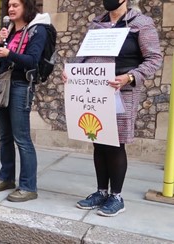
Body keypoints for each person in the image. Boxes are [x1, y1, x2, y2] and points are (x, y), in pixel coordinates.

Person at [69, 0, 162, 216]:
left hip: (122, 90)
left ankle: (117, 196)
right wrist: (72, 72)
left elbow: (154, 58)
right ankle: (101, 192)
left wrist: (130, 76)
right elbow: (83, 57)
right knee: (99, 141)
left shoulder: (141, 23)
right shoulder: (97, 24)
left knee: (115, 143)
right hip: (94, 89)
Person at [0, 0, 49, 202]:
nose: (10, 9)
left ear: (27, 6)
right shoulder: (10, 30)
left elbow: (33, 60)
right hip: (2, 85)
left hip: (21, 86)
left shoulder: (38, 30)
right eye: (9, 5)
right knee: (4, 136)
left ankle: (28, 186)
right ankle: (6, 178)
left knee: (21, 138)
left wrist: (9, 53)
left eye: (15, 5)